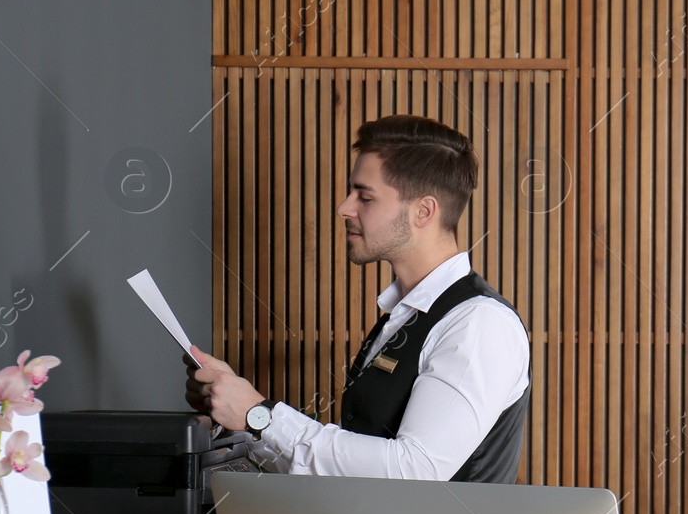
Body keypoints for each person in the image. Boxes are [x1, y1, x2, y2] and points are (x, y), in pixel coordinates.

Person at [185, 114, 530, 483]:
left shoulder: (478, 323)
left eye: (365, 196)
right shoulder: (404, 316)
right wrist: (243, 422)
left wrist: (261, 415)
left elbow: (415, 470)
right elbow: (347, 469)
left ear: (423, 212)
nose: (344, 208)